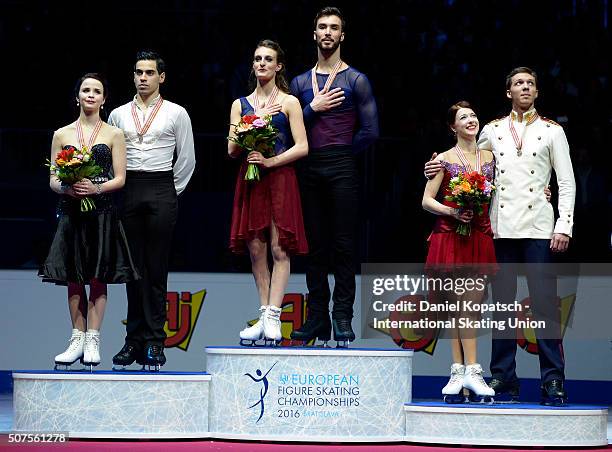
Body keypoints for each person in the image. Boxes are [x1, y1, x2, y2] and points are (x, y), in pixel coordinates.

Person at [426, 67, 575, 405]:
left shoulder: (553, 131)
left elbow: (566, 181)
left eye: (530, 83)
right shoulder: (492, 130)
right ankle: (504, 376)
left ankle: (552, 379)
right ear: (509, 92)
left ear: (537, 92)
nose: (525, 87)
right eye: (519, 83)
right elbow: (464, 160)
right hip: (500, 228)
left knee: (543, 305)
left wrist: (563, 224)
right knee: (503, 306)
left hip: (538, 226)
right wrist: (431, 168)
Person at [289, 6, 379, 346]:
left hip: (342, 165)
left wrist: (340, 153)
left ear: (342, 36)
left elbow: (371, 131)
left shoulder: (356, 80)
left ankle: (342, 315)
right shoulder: (299, 82)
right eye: (322, 27)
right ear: (314, 34)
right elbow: (286, 129)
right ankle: (316, 319)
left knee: (343, 245)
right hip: (308, 167)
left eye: (334, 28)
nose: (328, 32)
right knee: (313, 247)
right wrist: (313, 108)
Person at [40, 73, 139, 370]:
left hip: (102, 211)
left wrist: (96, 188)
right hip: (71, 211)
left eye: (97, 91)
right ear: (78, 96)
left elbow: (120, 178)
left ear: (104, 98)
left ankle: (93, 338)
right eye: (86, 90)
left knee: (97, 276)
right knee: (73, 276)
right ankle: (76, 338)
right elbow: (53, 179)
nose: (91, 95)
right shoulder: (62, 134)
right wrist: (68, 187)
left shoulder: (114, 134)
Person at [108, 51, 196, 370]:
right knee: (132, 269)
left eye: (149, 72)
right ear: (133, 76)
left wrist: (171, 193)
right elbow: (112, 156)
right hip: (129, 187)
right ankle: (133, 340)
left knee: (156, 269)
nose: (143, 77)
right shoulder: (118, 114)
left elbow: (186, 159)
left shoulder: (176, 113)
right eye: (138, 72)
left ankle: (155, 342)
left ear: (162, 77)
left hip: (162, 187)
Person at [228, 39, 308, 345]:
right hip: (250, 178)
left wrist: (271, 161)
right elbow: (232, 148)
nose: (261, 63)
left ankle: (275, 314)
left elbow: (302, 146)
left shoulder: (289, 102)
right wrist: (252, 125)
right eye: (257, 58)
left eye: (268, 59)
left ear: (278, 66)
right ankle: (263, 315)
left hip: (280, 178)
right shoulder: (240, 104)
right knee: (256, 249)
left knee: (279, 248)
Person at [422, 101, 496, 402]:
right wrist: (453, 211)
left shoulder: (491, 156)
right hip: (450, 236)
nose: (471, 119)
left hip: (478, 235)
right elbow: (426, 200)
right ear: (453, 126)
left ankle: (472, 373)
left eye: (474, 115)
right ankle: (459, 373)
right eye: (463, 117)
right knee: (456, 307)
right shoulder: (443, 159)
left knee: (472, 306)